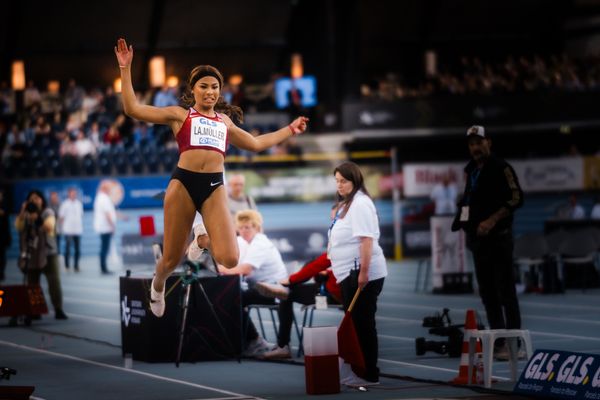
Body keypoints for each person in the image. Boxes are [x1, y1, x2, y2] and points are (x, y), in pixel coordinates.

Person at [114, 38, 308, 317]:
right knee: (170, 259)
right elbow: (133, 109)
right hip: (183, 183)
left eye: (215, 86)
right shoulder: (180, 115)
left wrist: (290, 128)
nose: (210, 91)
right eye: (203, 86)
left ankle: (201, 241)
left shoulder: (225, 123)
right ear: (192, 90)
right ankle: (157, 285)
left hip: (214, 186)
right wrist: (125, 68)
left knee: (230, 257)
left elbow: (255, 143)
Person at [452, 125, 524, 360]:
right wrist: (463, 220)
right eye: (472, 144)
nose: (475, 147)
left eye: (479, 142)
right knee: (487, 294)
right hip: (479, 243)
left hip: (499, 239)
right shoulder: (471, 170)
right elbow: (471, 200)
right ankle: (499, 341)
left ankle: (514, 344)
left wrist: (492, 220)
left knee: (506, 292)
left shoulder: (501, 167)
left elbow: (517, 197)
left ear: (488, 143)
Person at [327, 161, 387, 386]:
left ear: (355, 181)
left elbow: (366, 241)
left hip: (360, 273)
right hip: (347, 272)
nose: (339, 185)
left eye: (343, 181)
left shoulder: (361, 203)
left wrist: (363, 273)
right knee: (357, 325)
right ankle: (360, 370)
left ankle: (369, 373)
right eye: (337, 181)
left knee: (363, 324)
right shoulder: (347, 204)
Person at [217, 210, 288, 357]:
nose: (243, 231)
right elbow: (233, 265)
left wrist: (220, 268)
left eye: (247, 227)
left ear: (256, 227)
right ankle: (241, 341)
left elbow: (245, 270)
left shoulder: (260, 243)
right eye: (241, 228)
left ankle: (255, 341)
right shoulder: (243, 242)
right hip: (259, 287)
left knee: (233, 300)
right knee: (231, 297)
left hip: (274, 290)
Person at [258, 251, 342, 360]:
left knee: (288, 295)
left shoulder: (340, 243)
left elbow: (316, 265)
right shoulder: (360, 247)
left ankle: (283, 347)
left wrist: (290, 280)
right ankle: (283, 288)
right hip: (341, 296)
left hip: (330, 296)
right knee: (312, 266)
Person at [14, 190, 68, 321]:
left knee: (54, 282)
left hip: (49, 253)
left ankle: (58, 309)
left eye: (37, 198)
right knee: (33, 285)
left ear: (42, 200)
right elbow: (18, 227)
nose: (34, 201)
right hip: (32, 253)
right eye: (31, 199)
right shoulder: (25, 214)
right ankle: (35, 311)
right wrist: (23, 212)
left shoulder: (48, 212)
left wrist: (37, 218)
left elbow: (49, 227)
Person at [93, 180, 117, 275]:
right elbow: (107, 214)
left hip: (103, 226)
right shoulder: (104, 198)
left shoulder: (100, 198)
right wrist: (112, 226)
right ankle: (103, 268)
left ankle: (103, 267)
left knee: (104, 247)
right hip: (105, 227)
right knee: (104, 248)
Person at [59, 187, 84, 272]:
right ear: (68, 194)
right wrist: (63, 228)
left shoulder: (79, 204)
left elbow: (81, 215)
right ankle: (67, 266)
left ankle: (76, 266)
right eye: (72, 193)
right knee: (67, 249)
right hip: (68, 230)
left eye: (75, 193)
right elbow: (61, 217)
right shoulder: (65, 204)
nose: (73, 195)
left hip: (77, 230)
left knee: (77, 249)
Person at [0, 188, 11, 282]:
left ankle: (2, 272)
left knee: (2, 256)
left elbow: (4, 213)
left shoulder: (5, 205)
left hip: (3, 235)